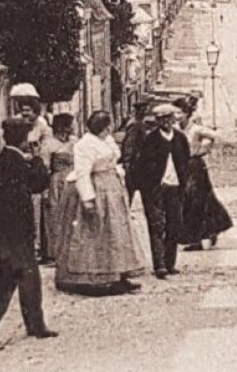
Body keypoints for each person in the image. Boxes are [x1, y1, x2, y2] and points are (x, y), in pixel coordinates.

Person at [0, 119, 57, 343]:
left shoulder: (4, 160)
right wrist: (38, 159)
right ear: (23, 139)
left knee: (15, 277)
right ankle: (30, 326)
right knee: (18, 277)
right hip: (17, 232)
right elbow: (39, 183)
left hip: (7, 231)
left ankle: (31, 326)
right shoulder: (16, 162)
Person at [58, 111, 146, 296]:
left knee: (116, 232)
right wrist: (88, 199)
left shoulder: (107, 140)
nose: (109, 128)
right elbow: (82, 172)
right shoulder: (85, 144)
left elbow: (114, 159)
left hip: (111, 189)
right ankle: (93, 277)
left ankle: (118, 274)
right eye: (107, 125)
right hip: (97, 188)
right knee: (94, 232)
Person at [133, 103, 192, 278]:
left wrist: (184, 183)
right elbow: (141, 165)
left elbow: (186, 161)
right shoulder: (150, 140)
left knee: (173, 225)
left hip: (175, 188)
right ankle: (159, 265)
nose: (166, 122)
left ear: (174, 119)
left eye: (169, 118)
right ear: (158, 121)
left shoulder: (180, 138)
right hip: (155, 190)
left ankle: (170, 262)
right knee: (157, 225)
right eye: (162, 119)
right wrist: (147, 187)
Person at [177, 99, 232, 252]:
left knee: (197, 200)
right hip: (182, 167)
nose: (177, 116)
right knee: (186, 201)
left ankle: (202, 236)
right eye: (175, 113)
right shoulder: (176, 129)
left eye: (180, 113)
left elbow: (216, 136)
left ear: (187, 114)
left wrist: (204, 149)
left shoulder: (195, 129)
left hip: (195, 167)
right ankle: (204, 234)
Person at [40, 113, 76, 265]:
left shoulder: (74, 141)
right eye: (68, 126)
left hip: (72, 180)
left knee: (72, 215)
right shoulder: (49, 144)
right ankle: (53, 253)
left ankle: (71, 250)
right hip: (56, 183)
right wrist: (45, 190)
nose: (70, 129)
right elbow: (45, 167)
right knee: (54, 216)